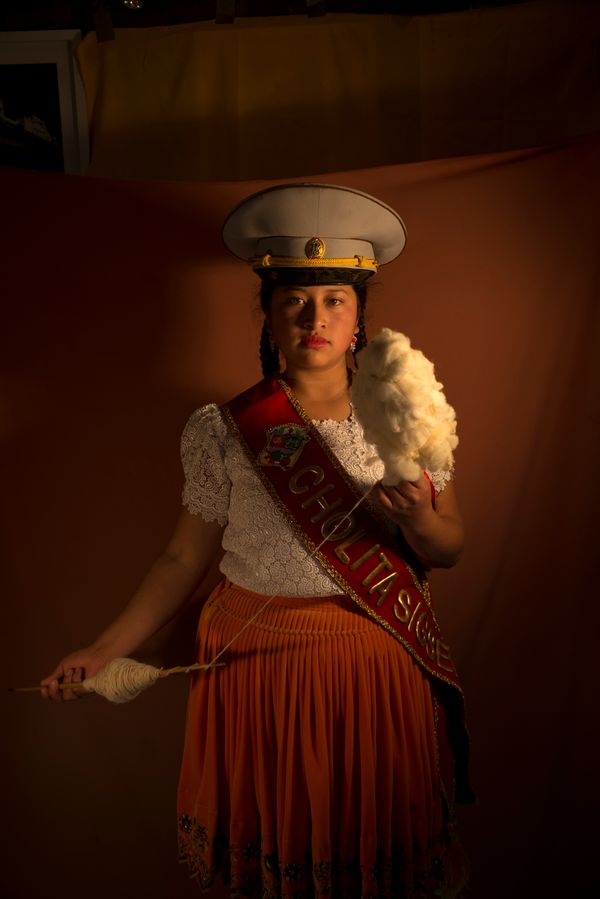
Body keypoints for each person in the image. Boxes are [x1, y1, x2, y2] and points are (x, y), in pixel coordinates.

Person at [42, 184, 471, 898]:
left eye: (334, 299)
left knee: (366, 849)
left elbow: (449, 545)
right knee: (277, 847)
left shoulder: (406, 417)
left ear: (359, 316)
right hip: (251, 663)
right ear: (268, 313)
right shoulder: (221, 428)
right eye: (294, 299)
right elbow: (181, 557)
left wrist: (420, 521)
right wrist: (105, 648)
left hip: (367, 657)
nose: (315, 317)